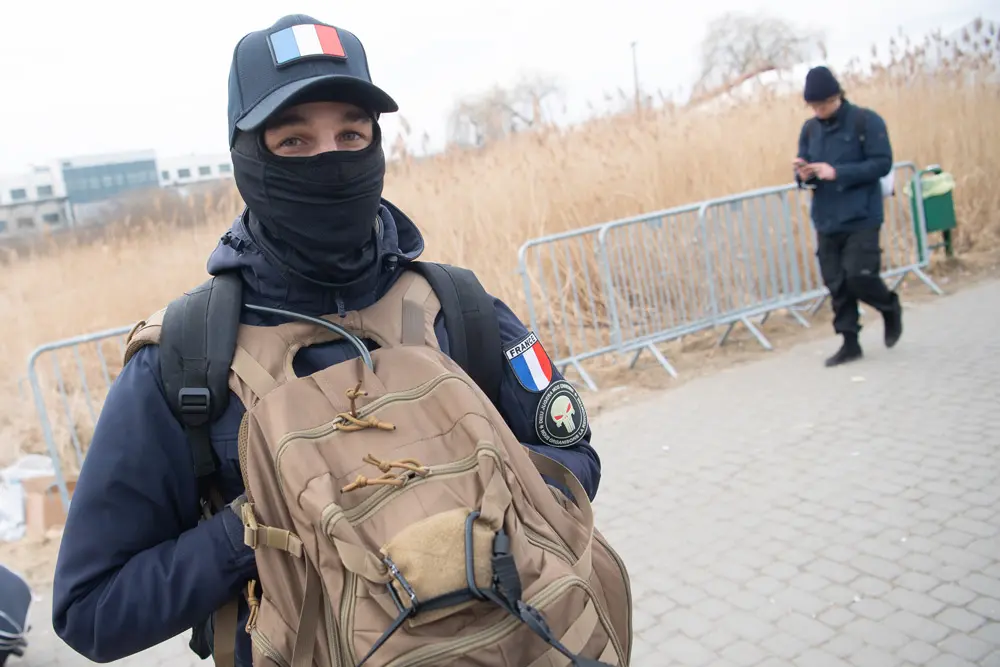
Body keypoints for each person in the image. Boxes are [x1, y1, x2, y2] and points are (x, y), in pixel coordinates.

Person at [51, 15, 611, 667]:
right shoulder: (183, 359)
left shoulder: (457, 308)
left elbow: (575, 458)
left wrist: (467, 497)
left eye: (351, 133)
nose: (332, 159)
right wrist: (257, 526)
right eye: (294, 140)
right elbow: (91, 609)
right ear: (247, 157)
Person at [793, 65, 903, 367]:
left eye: (823, 104)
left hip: (861, 215)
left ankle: (889, 307)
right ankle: (849, 342)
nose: (819, 111)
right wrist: (804, 174)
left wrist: (838, 172)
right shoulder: (809, 129)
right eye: (813, 106)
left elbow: (882, 164)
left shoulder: (865, 121)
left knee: (859, 275)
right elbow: (805, 171)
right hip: (827, 218)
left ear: (837, 96)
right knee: (836, 284)